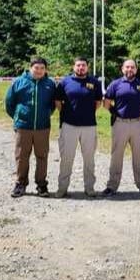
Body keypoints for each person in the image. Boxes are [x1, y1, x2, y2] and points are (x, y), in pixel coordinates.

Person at [4, 57, 56, 198]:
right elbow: (9, 103)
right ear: (30, 68)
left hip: (42, 127)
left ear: (45, 70)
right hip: (23, 126)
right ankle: (20, 184)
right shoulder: (19, 82)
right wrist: (18, 116)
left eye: (42, 68)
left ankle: (41, 185)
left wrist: (45, 114)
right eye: (36, 68)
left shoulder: (50, 84)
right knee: (21, 156)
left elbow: (53, 105)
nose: (39, 71)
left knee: (42, 156)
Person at [101, 59, 140, 197]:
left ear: (136, 69)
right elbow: (106, 103)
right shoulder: (115, 84)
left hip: (137, 124)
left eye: (133, 67)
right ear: (122, 69)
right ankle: (112, 186)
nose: (130, 69)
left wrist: (138, 112)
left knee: (138, 155)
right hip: (120, 124)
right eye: (127, 67)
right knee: (116, 155)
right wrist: (115, 112)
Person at [54, 57, 103, 198]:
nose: (81, 68)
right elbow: (58, 102)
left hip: (89, 126)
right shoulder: (65, 82)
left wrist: (87, 113)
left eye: (83, 65)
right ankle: (62, 188)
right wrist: (66, 114)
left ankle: (89, 188)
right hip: (69, 125)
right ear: (73, 67)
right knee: (66, 158)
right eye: (78, 65)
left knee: (89, 160)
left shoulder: (94, 82)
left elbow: (98, 102)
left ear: (87, 67)